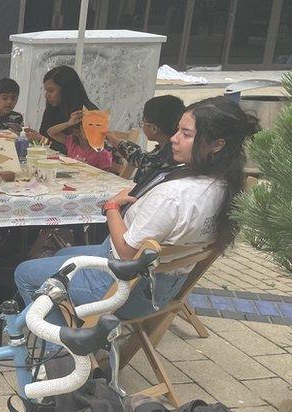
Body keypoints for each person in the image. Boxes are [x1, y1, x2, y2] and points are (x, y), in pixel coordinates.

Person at [15, 96, 256, 328]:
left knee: (25, 272)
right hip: (166, 284)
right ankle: (80, 333)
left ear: (217, 144)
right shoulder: (226, 184)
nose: (174, 138)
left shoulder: (173, 196)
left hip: (126, 290)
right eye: (177, 130)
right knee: (65, 252)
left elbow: (127, 252)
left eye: (186, 134)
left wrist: (111, 207)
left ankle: (65, 352)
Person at [106, 95, 186, 193]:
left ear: (153, 128)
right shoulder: (174, 150)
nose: (142, 126)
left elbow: (141, 158)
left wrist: (115, 141)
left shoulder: (162, 159)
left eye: (143, 122)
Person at [25, 65, 97, 154]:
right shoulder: (53, 108)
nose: (46, 96)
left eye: (51, 91)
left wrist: (41, 140)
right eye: (46, 91)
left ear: (66, 90)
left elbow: (77, 151)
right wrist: (36, 137)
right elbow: (44, 134)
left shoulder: (86, 113)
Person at [46, 110, 114, 171]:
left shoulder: (103, 154)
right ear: (77, 132)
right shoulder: (72, 142)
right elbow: (51, 132)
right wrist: (69, 123)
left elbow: (104, 177)